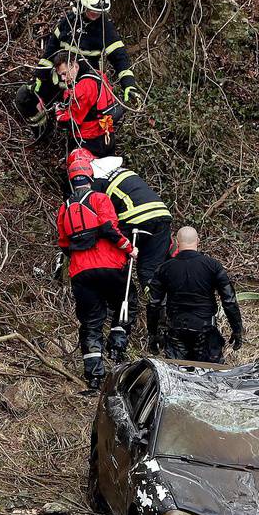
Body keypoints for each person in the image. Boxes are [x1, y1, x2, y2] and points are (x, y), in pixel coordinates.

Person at [56, 149, 134, 390]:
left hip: (81, 272)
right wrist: (129, 248)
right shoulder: (100, 199)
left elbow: (64, 244)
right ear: (90, 176)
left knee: (91, 322)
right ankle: (117, 348)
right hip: (111, 265)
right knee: (126, 303)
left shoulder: (63, 209)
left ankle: (94, 376)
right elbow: (110, 229)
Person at [89, 155, 172, 339]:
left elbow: (101, 218)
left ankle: (115, 299)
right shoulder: (126, 173)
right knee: (151, 270)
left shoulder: (98, 182)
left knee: (113, 255)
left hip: (135, 218)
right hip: (162, 215)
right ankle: (167, 308)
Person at [148, 227, 243, 364]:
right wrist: (237, 329)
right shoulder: (213, 266)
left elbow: (154, 303)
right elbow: (229, 300)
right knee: (210, 378)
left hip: (176, 330)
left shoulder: (164, 268)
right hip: (205, 329)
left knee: (177, 377)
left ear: (177, 242)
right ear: (198, 241)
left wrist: (153, 333)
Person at [42, 0, 140, 101]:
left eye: (99, 13)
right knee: (26, 96)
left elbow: (120, 57)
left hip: (87, 84)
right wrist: (38, 77)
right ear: (83, 5)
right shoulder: (68, 22)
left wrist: (129, 84)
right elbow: (50, 51)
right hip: (60, 79)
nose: (95, 15)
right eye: (92, 11)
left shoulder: (105, 28)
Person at [51, 50, 120, 158]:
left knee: (82, 172)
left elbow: (73, 122)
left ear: (74, 65)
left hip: (89, 142)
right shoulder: (97, 74)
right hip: (108, 137)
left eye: (64, 73)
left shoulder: (83, 88)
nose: (63, 78)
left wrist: (59, 113)